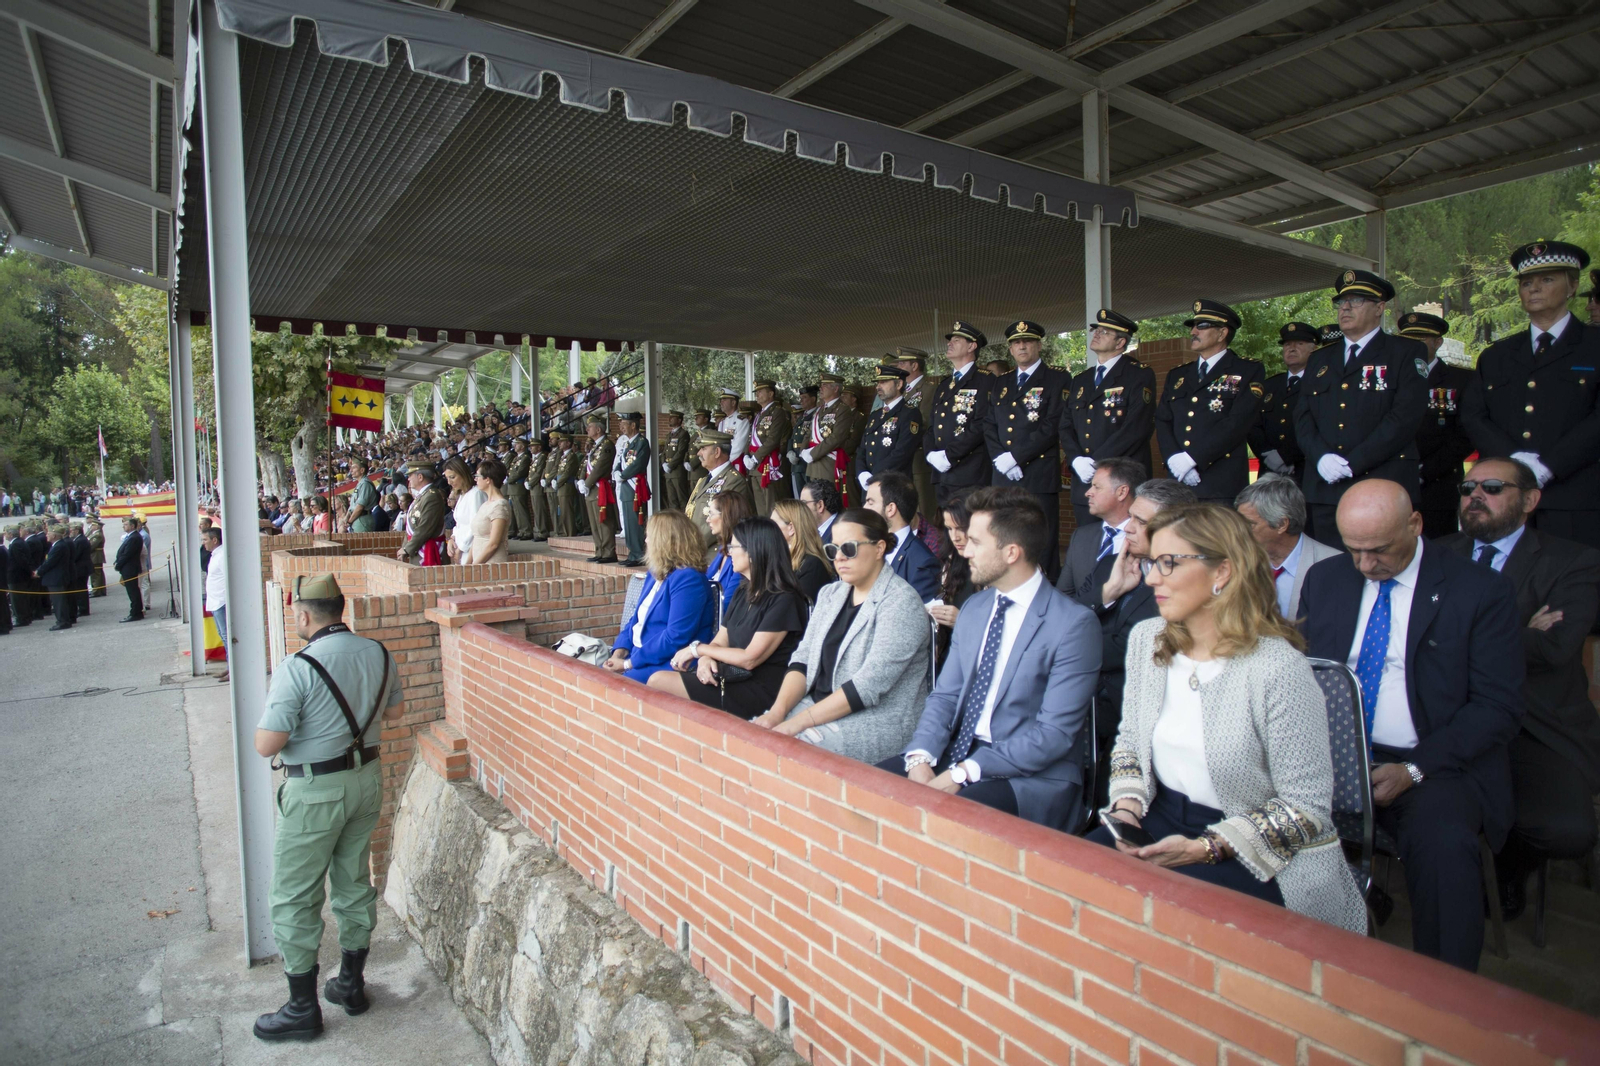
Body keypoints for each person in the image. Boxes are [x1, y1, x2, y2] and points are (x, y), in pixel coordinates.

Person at [1092, 504, 1366, 930]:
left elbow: (1308, 808)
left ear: (1222, 573)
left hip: (1259, 850)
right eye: (1151, 562)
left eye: (1168, 563)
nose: (1150, 579)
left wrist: (1206, 848)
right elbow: (1130, 741)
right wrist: (1126, 809)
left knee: (1160, 923)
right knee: (1074, 881)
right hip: (1157, 818)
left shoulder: (1277, 668)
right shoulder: (1148, 640)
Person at [1300, 479, 1523, 970]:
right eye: (1353, 549)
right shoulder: (1328, 579)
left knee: (1443, 846)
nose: (1364, 565)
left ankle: (1444, 995)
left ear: (1415, 525)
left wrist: (1414, 769)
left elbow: (1498, 708)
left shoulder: (1479, 590)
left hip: (1434, 760)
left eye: (1378, 550)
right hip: (1334, 753)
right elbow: (1304, 671)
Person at [1438, 457, 1600, 919]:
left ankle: (1513, 863)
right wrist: (1518, 629)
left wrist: (1455, 635)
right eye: (1468, 486)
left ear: (1530, 501)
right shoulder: (1434, 553)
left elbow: (1554, 648)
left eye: (1492, 487)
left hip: (1534, 725)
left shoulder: (1572, 561)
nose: (1475, 495)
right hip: (1449, 717)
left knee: (1568, 832)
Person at [884, 487, 1100, 829]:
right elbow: (946, 694)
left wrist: (965, 772)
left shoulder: (1073, 624)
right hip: (959, 752)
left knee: (948, 821)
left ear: (1011, 552)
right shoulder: (975, 607)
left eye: (976, 542)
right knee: (874, 789)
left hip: (1031, 777)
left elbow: (1054, 734)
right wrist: (921, 756)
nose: (964, 550)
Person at [251, 574, 403, 1041]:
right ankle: (350, 984)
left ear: (302, 614)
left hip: (316, 791)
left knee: (295, 894)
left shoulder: (298, 666)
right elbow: (393, 713)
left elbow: (266, 744)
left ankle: (302, 1007)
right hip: (365, 780)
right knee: (354, 880)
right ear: (341, 608)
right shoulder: (378, 652)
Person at [753, 507, 931, 765]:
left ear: (879, 548)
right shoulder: (830, 594)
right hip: (816, 707)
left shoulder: (901, 602)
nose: (839, 558)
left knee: (784, 756)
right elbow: (802, 660)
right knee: (749, 739)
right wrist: (777, 713)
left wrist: (795, 725)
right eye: (832, 550)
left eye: (848, 548)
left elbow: (867, 687)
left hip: (875, 720)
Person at [1461, 240, 1600, 549]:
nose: (1534, 288)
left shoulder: (1594, 345)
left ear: (1572, 286)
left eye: (1547, 279)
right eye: (1526, 282)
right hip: (1503, 500)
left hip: (1575, 498)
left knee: (1572, 587)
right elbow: (1473, 414)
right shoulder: (1497, 355)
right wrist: (1514, 462)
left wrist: (1548, 466)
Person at [1296, 270, 1429, 546]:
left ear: (1379, 308)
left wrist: (1353, 463)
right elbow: (1303, 415)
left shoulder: (1405, 352)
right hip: (1325, 487)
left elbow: (1405, 417)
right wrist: (1321, 458)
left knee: (1381, 564)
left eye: (1355, 301)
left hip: (1383, 483)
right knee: (1328, 569)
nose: (1344, 308)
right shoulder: (1320, 358)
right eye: (1341, 302)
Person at [652, 517, 808, 718]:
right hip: (731, 677)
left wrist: (698, 650)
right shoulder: (745, 590)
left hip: (759, 689)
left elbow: (750, 658)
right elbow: (721, 639)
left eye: (733, 546)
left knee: (658, 682)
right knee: (660, 684)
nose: (728, 552)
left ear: (753, 552)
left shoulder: (784, 599)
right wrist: (706, 658)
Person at [983, 319, 1069, 581]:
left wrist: (1016, 457)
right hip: (1004, 475)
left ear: (1039, 345)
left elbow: (1053, 423)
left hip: (1037, 473)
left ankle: (1047, 593)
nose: (1022, 346)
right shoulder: (1002, 381)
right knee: (1004, 537)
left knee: (1040, 539)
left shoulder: (1057, 378)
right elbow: (989, 423)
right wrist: (1001, 457)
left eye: (1027, 341)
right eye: (1016, 343)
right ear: (1010, 349)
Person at [1154, 299, 1264, 503]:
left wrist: (1192, 458)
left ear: (1222, 333)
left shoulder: (1247, 370)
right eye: (1193, 326)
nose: (1193, 332)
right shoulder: (1178, 375)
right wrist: (1174, 459)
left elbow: (1237, 422)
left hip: (1221, 484)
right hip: (1178, 481)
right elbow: (1163, 420)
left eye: (1202, 326)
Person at [1061, 309, 1157, 527]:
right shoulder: (1081, 380)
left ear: (1120, 342)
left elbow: (1136, 428)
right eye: (1096, 329)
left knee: (1121, 547)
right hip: (1084, 481)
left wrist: (1096, 463)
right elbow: (1066, 425)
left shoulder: (1138, 374)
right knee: (1087, 545)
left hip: (1119, 481)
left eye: (1105, 332)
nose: (1096, 334)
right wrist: (1076, 459)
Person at [604, 511, 716, 684]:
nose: (646, 541)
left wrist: (628, 663)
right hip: (640, 657)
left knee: (610, 689)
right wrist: (619, 652)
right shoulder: (655, 572)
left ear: (666, 542)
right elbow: (636, 619)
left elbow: (675, 637)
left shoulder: (688, 579)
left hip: (669, 662)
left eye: (650, 536)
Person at [1400, 311, 1475, 538]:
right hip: (1395, 482)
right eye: (1407, 340)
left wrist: (1425, 471)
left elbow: (1467, 434)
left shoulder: (1461, 379)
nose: (1413, 346)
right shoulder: (1390, 377)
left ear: (1438, 342)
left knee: (1438, 552)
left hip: (1438, 484)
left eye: (1420, 339)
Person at [1234, 474, 1339, 622]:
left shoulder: (1333, 566)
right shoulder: (1234, 563)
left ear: (1282, 524)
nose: (1239, 532)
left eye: (1249, 525)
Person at [1055, 457, 1142, 606]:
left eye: (1097, 487)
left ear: (1122, 492)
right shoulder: (1081, 536)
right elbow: (1063, 596)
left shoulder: (1148, 537)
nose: (1088, 493)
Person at [925, 320, 992, 498]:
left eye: (956, 340)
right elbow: (933, 424)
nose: (949, 343)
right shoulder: (944, 384)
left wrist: (949, 455)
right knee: (945, 524)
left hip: (969, 471)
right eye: (950, 339)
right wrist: (931, 454)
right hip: (941, 472)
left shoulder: (985, 380)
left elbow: (981, 424)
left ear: (972, 346)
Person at [1248, 321, 1319, 480]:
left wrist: (1287, 456)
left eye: (1299, 343)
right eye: (1287, 344)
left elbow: (1321, 426)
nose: (1291, 348)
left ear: (1313, 349)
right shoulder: (1269, 385)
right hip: (1269, 472)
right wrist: (1266, 454)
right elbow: (1253, 424)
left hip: (1304, 471)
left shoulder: (1319, 383)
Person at [865, 472, 940, 602]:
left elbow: (916, 617)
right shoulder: (864, 549)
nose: (864, 508)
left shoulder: (922, 562)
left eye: (870, 502)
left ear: (891, 509)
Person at [855, 363, 923, 490]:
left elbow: (902, 453)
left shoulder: (909, 413)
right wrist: (862, 473)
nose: (878, 387)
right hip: (869, 484)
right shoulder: (875, 415)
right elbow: (862, 448)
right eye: (878, 382)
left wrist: (873, 476)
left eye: (884, 382)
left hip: (893, 485)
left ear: (899, 384)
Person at [800, 374, 862, 509]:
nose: (821, 388)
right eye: (821, 385)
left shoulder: (842, 409)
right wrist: (803, 450)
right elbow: (809, 434)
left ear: (835, 389)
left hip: (828, 464)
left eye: (825, 385)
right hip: (813, 465)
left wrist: (813, 453)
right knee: (814, 505)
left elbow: (836, 438)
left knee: (828, 506)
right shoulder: (820, 410)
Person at [926, 490, 976, 657]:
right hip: (950, 653)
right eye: (949, 528)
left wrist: (962, 621)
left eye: (961, 528)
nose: (955, 537)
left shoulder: (992, 567)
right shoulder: (950, 560)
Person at [684, 429, 753, 549]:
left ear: (717, 452)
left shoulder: (734, 481)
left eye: (704, 448)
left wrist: (691, 546)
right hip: (697, 550)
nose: (699, 453)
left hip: (715, 553)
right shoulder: (704, 480)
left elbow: (724, 521)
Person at [770, 498, 833, 604]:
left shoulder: (812, 564)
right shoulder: (779, 559)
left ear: (791, 528)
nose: (768, 529)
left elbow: (796, 608)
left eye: (772, 524)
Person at [611, 410, 651, 567]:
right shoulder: (627, 443)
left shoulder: (642, 442)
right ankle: (632, 552)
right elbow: (620, 462)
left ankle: (639, 554)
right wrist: (616, 472)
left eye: (624, 423)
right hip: (626, 487)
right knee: (628, 522)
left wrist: (623, 474)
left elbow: (638, 463)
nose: (621, 426)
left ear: (633, 425)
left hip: (635, 486)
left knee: (636, 521)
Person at [748, 381, 793, 517]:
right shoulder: (759, 415)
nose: (758, 395)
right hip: (755, 465)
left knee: (770, 504)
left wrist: (756, 456)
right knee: (760, 504)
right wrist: (746, 455)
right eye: (757, 392)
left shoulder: (777, 412)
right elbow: (751, 437)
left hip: (767, 462)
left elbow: (773, 439)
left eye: (761, 392)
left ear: (771, 393)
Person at [705, 489, 754, 610]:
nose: (707, 519)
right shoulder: (723, 549)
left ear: (727, 515)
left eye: (711, 514)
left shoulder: (742, 554)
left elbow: (726, 604)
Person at [396, 461, 447, 565]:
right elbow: (411, 527)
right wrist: (405, 547)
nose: (408, 479)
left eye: (410, 475)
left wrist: (407, 549)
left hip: (428, 551)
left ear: (420, 477)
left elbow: (424, 528)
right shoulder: (422, 496)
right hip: (418, 549)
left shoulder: (432, 496)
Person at [466, 457, 512, 564]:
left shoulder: (499, 505)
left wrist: (475, 565)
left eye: (478, 476)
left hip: (492, 563)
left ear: (488, 480)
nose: (475, 479)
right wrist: (468, 564)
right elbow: (477, 538)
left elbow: (493, 544)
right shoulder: (485, 504)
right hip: (479, 563)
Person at [442, 456, 484, 564]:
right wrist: (452, 538)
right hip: (460, 549)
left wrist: (461, 548)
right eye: (447, 478)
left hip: (471, 551)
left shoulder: (476, 494)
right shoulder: (462, 495)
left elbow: (475, 526)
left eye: (452, 477)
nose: (449, 482)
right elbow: (460, 524)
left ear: (463, 474)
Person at [35, 526, 74, 630]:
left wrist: (39, 572)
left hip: (56, 578)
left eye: (48, 533)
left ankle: (63, 621)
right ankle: (62, 620)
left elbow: (50, 562)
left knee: (59, 602)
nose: (46, 535)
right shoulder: (56, 545)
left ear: (54, 535)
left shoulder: (59, 546)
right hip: (55, 578)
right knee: (57, 601)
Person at [205, 526, 229, 681]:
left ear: (215, 540)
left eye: (205, 540)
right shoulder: (215, 555)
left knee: (227, 636)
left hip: (221, 601)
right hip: (215, 601)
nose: (203, 543)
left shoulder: (221, 556)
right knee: (222, 635)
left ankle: (233, 668)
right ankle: (229, 667)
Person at [659, 411, 693, 514]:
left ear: (679, 420)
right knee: (672, 499)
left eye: (673, 418)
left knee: (682, 499)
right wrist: (663, 463)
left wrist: (670, 465)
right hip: (668, 472)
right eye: (670, 418)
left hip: (677, 470)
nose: (670, 420)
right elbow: (664, 451)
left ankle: (684, 523)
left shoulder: (683, 434)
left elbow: (681, 452)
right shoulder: (670, 435)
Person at [551, 432, 582, 538]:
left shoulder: (571, 456)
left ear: (568, 443)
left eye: (562, 441)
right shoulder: (563, 456)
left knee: (567, 511)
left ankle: (570, 532)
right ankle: (565, 531)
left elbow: (567, 472)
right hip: (561, 487)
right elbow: (558, 470)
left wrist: (558, 482)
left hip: (566, 486)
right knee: (563, 511)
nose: (559, 443)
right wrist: (554, 479)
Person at [788, 388, 817, 498]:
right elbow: (792, 437)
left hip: (808, 461)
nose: (801, 401)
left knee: (810, 496)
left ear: (813, 399)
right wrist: (790, 451)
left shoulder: (816, 414)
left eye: (804, 398)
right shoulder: (802, 418)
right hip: (796, 462)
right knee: (799, 497)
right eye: (800, 398)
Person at [114, 516, 144, 622]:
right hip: (128, 568)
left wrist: (118, 565)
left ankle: (135, 612)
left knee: (133, 591)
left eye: (126, 524)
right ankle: (136, 611)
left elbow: (127, 554)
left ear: (132, 526)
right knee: (132, 591)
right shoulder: (130, 536)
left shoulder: (134, 537)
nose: (124, 526)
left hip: (130, 568)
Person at [505, 438, 533, 541]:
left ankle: (526, 531)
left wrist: (509, 479)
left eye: (517, 444)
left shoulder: (525, 458)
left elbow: (520, 472)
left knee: (521, 510)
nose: (515, 446)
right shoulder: (516, 458)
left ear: (522, 446)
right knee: (516, 511)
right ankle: (521, 531)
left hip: (518, 486)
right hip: (513, 487)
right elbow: (510, 470)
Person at [800, 478, 841, 545]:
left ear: (820, 505)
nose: (800, 509)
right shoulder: (809, 531)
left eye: (803, 503)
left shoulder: (841, 532)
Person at [526, 437, 552, 541]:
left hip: (537, 486)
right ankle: (539, 530)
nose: (531, 448)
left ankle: (543, 532)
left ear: (539, 447)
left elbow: (538, 472)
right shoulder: (536, 458)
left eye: (533, 446)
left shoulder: (542, 457)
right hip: (533, 487)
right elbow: (531, 472)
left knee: (540, 510)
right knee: (536, 510)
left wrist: (530, 482)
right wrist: (526, 481)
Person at [345, 459, 379, 533]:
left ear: (362, 470)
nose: (351, 470)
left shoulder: (365, 484)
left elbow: (360, 507)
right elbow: (352, 505)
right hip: (356, 519)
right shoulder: (359, 484)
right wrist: (347, 518)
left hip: (362, 520)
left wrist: (350, 521)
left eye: (354, 468)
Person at [69, 521, 90, 619]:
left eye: (72, 530)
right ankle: (82, 608)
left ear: (77, 530)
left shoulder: (80, 540)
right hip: (81, 567)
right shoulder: (79, 539)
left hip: (81, 568)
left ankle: (83, 609)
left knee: (80, 589)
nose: (71, 532)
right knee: (81, 589)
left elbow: (76, 555)